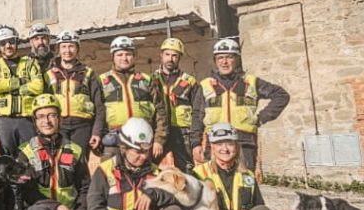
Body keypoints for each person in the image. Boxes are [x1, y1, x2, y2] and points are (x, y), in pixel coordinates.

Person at [17, 94, 94, 210]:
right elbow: (28, 194)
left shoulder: (75, 150)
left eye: (52, 115)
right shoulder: (25, 152)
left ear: (59, 118)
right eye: (41, 116)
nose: (47, 121)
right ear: (35, 121)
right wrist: (58, 207)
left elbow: (85, 188)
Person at [190, 38, 290, 171]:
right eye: (220, 58)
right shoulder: (205, 85)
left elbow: (281, 95)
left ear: (236, 59)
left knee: (244, 184)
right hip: (215, 142)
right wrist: (196, 143)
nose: (224, 62)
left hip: (244, 142)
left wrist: (261, 117)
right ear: (215, 61)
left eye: (229, 57)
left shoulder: (251, 82)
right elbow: (197, 116)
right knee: (216, 184)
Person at [99, 36, 167, 158]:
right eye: (119, 55)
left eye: (128, 54)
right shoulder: (103, 81)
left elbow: (160, 112)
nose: (124, 58)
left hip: (142, 137)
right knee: (111, 175)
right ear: (113, 57)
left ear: (134, 56)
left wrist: (159, 140)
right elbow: (97, 113)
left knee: (144, 175)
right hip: (114, 139)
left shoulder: (146, 80)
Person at [45, 30, 104, 162]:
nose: (68, 50)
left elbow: (99, 106)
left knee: (80, 163)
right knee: (60, 164)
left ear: (77, 49)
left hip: (82, 126)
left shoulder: (89, 73)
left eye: (71, 46)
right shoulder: (49, 74)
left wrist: (96, 132)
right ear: (58, 49)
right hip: (59, 127)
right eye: (64, 46)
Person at [0, 25, 44, 156]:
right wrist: (22, 82)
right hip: (3, 121)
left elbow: (38, 86)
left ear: (17, 42)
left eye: (11, 41)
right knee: (7, 159)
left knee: (32, 156)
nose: (8, 46)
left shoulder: (30, 63)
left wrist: (9, 87)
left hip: (27, 119)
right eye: (2, 43)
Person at [152, 37, 197, 170]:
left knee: (186, 169)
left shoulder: (190, 82)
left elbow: (198, 111)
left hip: (182, 133)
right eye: (167, 54)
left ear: (180, 57)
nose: (170, 59)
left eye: (174, 55)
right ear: (161, 55)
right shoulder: (151, 79)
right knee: (153, 167)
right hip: (158, 131)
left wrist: (196, 137)